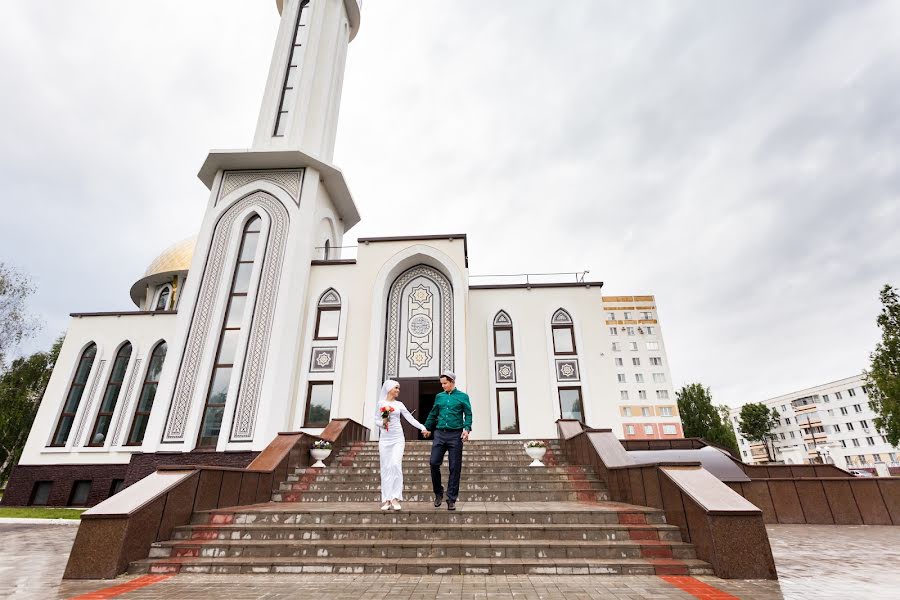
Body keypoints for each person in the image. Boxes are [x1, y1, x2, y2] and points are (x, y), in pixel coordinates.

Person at [421, 371, 472, 511]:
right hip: (440, 434)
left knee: (454, 467)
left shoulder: (463, 397)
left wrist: (467, 429)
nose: (443, 386)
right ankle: (438, 492)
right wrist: (427, 427)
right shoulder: (439, 397)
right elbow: (433, 413)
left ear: (452, 382)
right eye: (441, 383)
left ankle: (451, 499)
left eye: (445, 383)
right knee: (433, 462)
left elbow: (468, 414)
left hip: (455, 435)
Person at [375, 379, 426, 511]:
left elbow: (410, 418)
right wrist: (383, 423)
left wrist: (422, 427)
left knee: (396, 465)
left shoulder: (399, 404)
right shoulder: (381, 403)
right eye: (396, 388)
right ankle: (386, 499)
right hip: (385, 440)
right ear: (389, 389)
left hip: (398, 438)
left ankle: (395, 498)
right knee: (386, 467)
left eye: (398, 388)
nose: (398, 390)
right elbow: (376, 420)